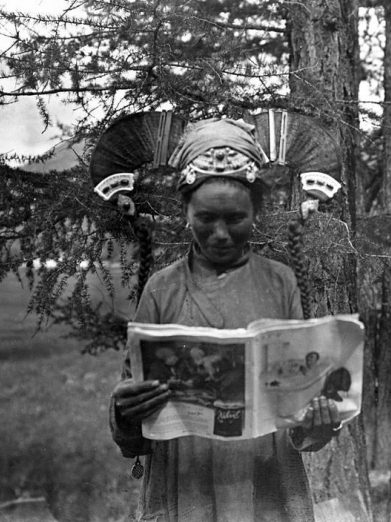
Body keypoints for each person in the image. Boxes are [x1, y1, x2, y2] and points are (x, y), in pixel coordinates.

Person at [108, 117, 340, 521]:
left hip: (267, 482)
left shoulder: (280, 282)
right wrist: (125, 409)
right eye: (206, 218)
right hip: (184, 479)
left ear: (256, 212)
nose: (219, 234)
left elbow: (299, 402)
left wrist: (317, 419)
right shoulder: (162, 289)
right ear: (186, 213)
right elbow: (134, 415)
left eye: (234, 219)